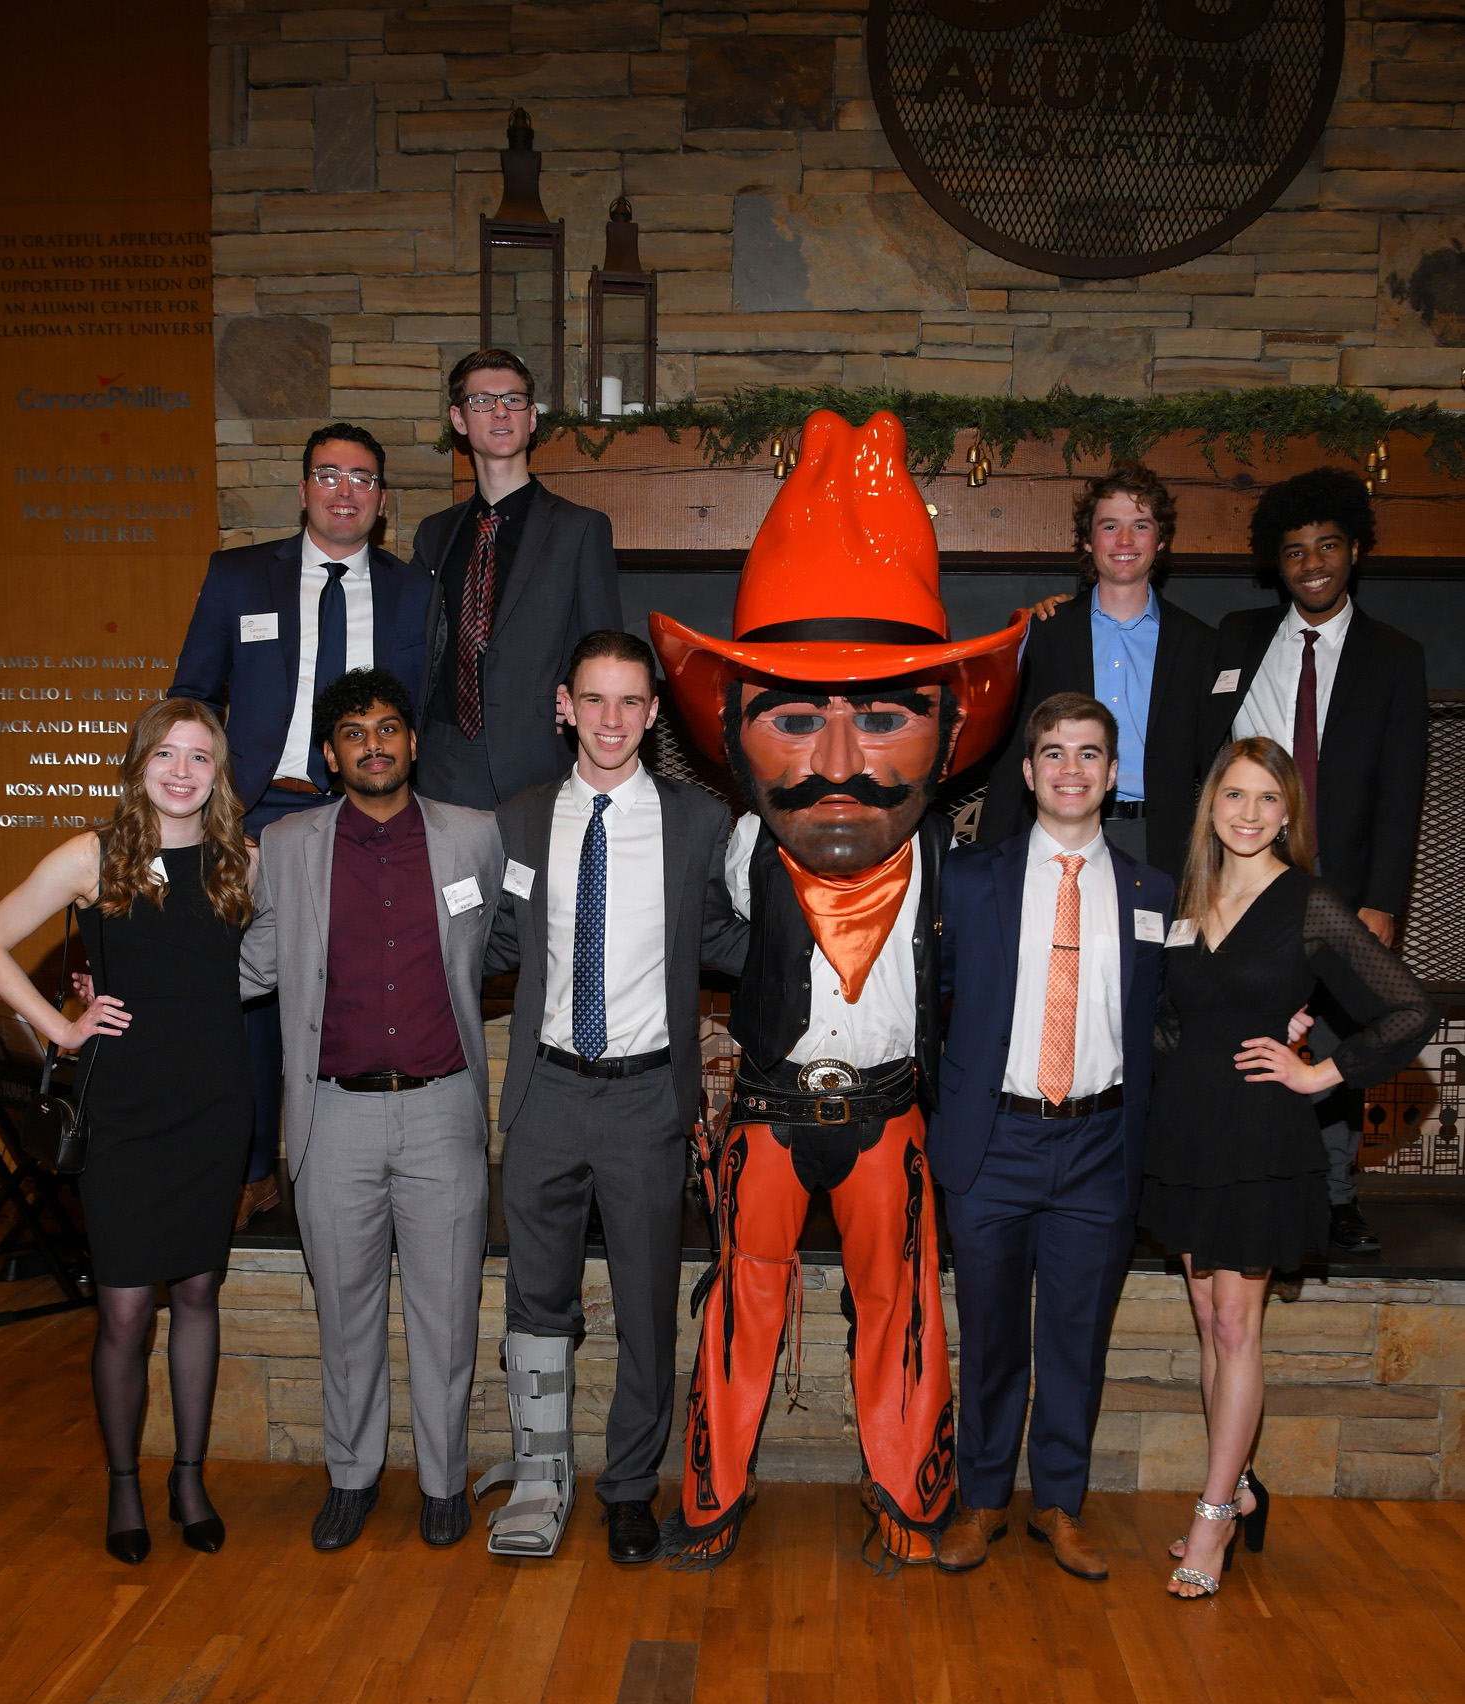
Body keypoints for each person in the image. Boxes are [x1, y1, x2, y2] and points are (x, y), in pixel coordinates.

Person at [648, 407, 1028, 1567]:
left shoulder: (962, 869)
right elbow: (704, 939)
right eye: (799, 716)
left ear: (950, 724)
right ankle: (711, 1500)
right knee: (736, 1309)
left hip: (887, 1114)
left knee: (905, 1315)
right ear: (734, 726)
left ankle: (912, 1502)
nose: (837, 760)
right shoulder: (730, 845)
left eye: (881, 715)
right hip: (765, 1113)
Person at [1141, 737, 1434, 1599]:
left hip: (1261, 1135)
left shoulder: (1306, 903)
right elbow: (1169, 1022)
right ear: (1211, 806)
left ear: (1286, 815)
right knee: (1205, 1317)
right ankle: (1233, 1484)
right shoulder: (1182, 900)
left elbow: (1406, 1009)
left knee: (1236, 1325)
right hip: (1187, 1132)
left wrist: (1318, 1072)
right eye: (1234, 796)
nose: (1248, 813)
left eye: (1267, 800)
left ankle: (1210, 1518)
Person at [0, 700, 256, 1563]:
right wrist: (60, 1028)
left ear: (218, 773)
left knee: (199, 1296)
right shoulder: (94, 856)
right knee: (126, 1309)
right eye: (164, 754)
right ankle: (125, 1481)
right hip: (124, 1106)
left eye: (198, 758)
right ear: (138, 764)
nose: (180, 770)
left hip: (213, 1102)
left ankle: (190, 1477)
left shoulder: (241, 858)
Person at [480, 630, 747, 1565]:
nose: (611, 719)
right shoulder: (512, 823)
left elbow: (730, 939)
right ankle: (540, 1479)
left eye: (631, 702)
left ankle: (630, 1489)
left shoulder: (697, 822)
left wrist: (829, 931)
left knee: (644, 1304)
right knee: (535, 1298)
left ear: (652, 713)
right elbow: (491, 952)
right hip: (547, 1092)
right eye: (594, 700)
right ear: (564, 706)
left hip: (645, 1102)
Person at [238, 670, 503, 1553]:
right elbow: (253, 965)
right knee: (343, 1313)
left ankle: (440, 1483)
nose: (375, 745)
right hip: (331, 1117)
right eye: (355, 733)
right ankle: (349, 1479)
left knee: (446, 1310)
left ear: (413, 744)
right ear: (330, 753)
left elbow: (519, 940)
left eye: (390, 728)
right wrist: (138, 981)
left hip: (440, 1112)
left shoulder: (474, 837)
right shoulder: (286, 846)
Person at [930, 696, 1175, 1580]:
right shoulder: (967, 878)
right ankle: (985, 1499)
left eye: (1089, 754)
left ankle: (1060, 1507)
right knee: (992, 1336)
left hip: (1099, 1147)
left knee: (1077, 1338)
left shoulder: (1156, 893)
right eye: (1053, 753)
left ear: (1113, 776)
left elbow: (1169, 1019)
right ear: (1029, 772)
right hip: (991, 1142)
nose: (1070, 768)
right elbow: (931, 1003)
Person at [172, 424, 429, 1231]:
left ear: (381, 500)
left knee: (348, 993)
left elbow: (423, 715)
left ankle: (331, 1170)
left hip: (357, 817)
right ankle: (251, 1169)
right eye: (329, 474)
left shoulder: (414, 590)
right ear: (304, 488)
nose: (345, 490)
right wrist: (213, 813)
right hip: (256, 817)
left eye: (362, 478)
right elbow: (189, 698)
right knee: (246, 996)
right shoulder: (238, 575)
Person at [1201, 467, 1429, 1256]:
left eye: (1326, 546)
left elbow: (1403, 790)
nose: (1312, 563)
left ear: (1353, 552)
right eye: (1294, 551)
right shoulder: (1234, 637)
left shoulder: (1394, 655)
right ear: (1278, 562)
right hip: (1246, 874)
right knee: (1246, 1030)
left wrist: (1380, 900)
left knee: (1330, 1039)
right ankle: (1235, 1177)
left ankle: (1334, 1196)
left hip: (1339, 882)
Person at [977, 462, 1216, 877]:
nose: (1124, 540)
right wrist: (989, 860)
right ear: (1088, 541)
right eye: (1109, 526)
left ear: (1161, 540)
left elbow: (1216, 760)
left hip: (1162, 846)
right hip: (1055, 835)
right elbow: (1011, 752)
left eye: (1140, 526)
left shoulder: (1201, 644)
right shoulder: (1042, 633)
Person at [412, 347, 623, 810]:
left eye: (514, 399)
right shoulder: (434, 534)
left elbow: (606, 649)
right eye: (483, 400)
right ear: (460, 419)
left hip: (539, 755)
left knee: (535, 885)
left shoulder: (580, 528)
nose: (501, 411)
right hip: (444, 756)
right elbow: (417, 642)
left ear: (532, 418)